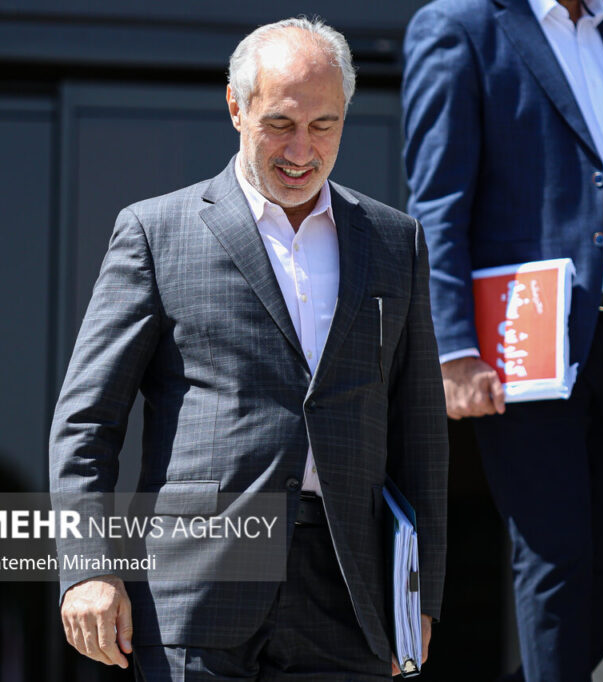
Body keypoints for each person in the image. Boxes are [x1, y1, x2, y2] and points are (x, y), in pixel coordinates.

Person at [49, 17, 448, 681]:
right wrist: (89, 566)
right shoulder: (156, 232)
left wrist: (421, 594)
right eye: (280, 124)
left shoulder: (393, 241)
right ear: (236, 107)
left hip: (350, 592)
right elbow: (87, 420)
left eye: (324, 125)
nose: (302, 149)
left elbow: (422, 435)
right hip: (197, 588)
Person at [402, 0, 603, 679]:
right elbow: (437, 204)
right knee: (556, 556)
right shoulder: (460, 27)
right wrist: (453, 349)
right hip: (528, 338)